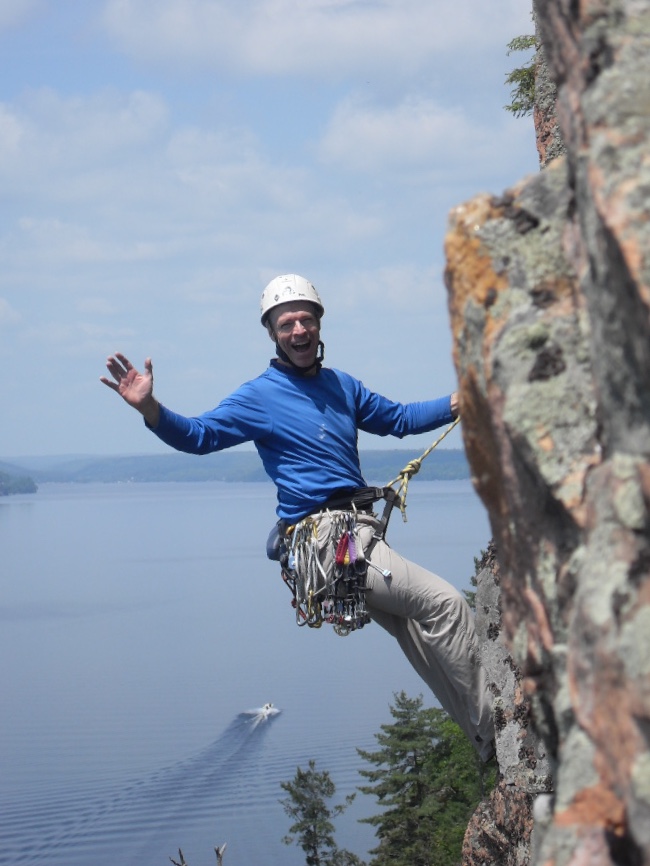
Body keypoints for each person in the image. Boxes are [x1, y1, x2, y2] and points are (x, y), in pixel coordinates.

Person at [101, 273, 495, 760]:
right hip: (329, 543)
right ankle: (504, 722)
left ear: (319, 324)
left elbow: (397, 419)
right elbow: (199, 435)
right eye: (286, 323)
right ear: (271, 333)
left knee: (418, 635)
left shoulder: (341, 387)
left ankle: (485, 741)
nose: (299, 330)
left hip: (358, 538)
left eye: (306, 319)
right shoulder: (260, 396)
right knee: (447, 605)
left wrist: (463, 400)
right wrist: (152, 409)